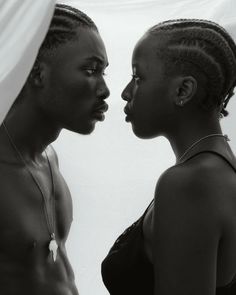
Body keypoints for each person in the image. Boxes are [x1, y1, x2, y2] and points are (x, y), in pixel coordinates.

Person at [102, 19, 236, 295]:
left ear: (183, 90)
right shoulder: (220, 171)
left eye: (138, 77)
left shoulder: (189, 184)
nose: (126, 93)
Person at [0, 3, 109, 295]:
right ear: (37, 74)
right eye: (90, 69)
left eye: (104, 73)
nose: (105, 90)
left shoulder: (49, 159)